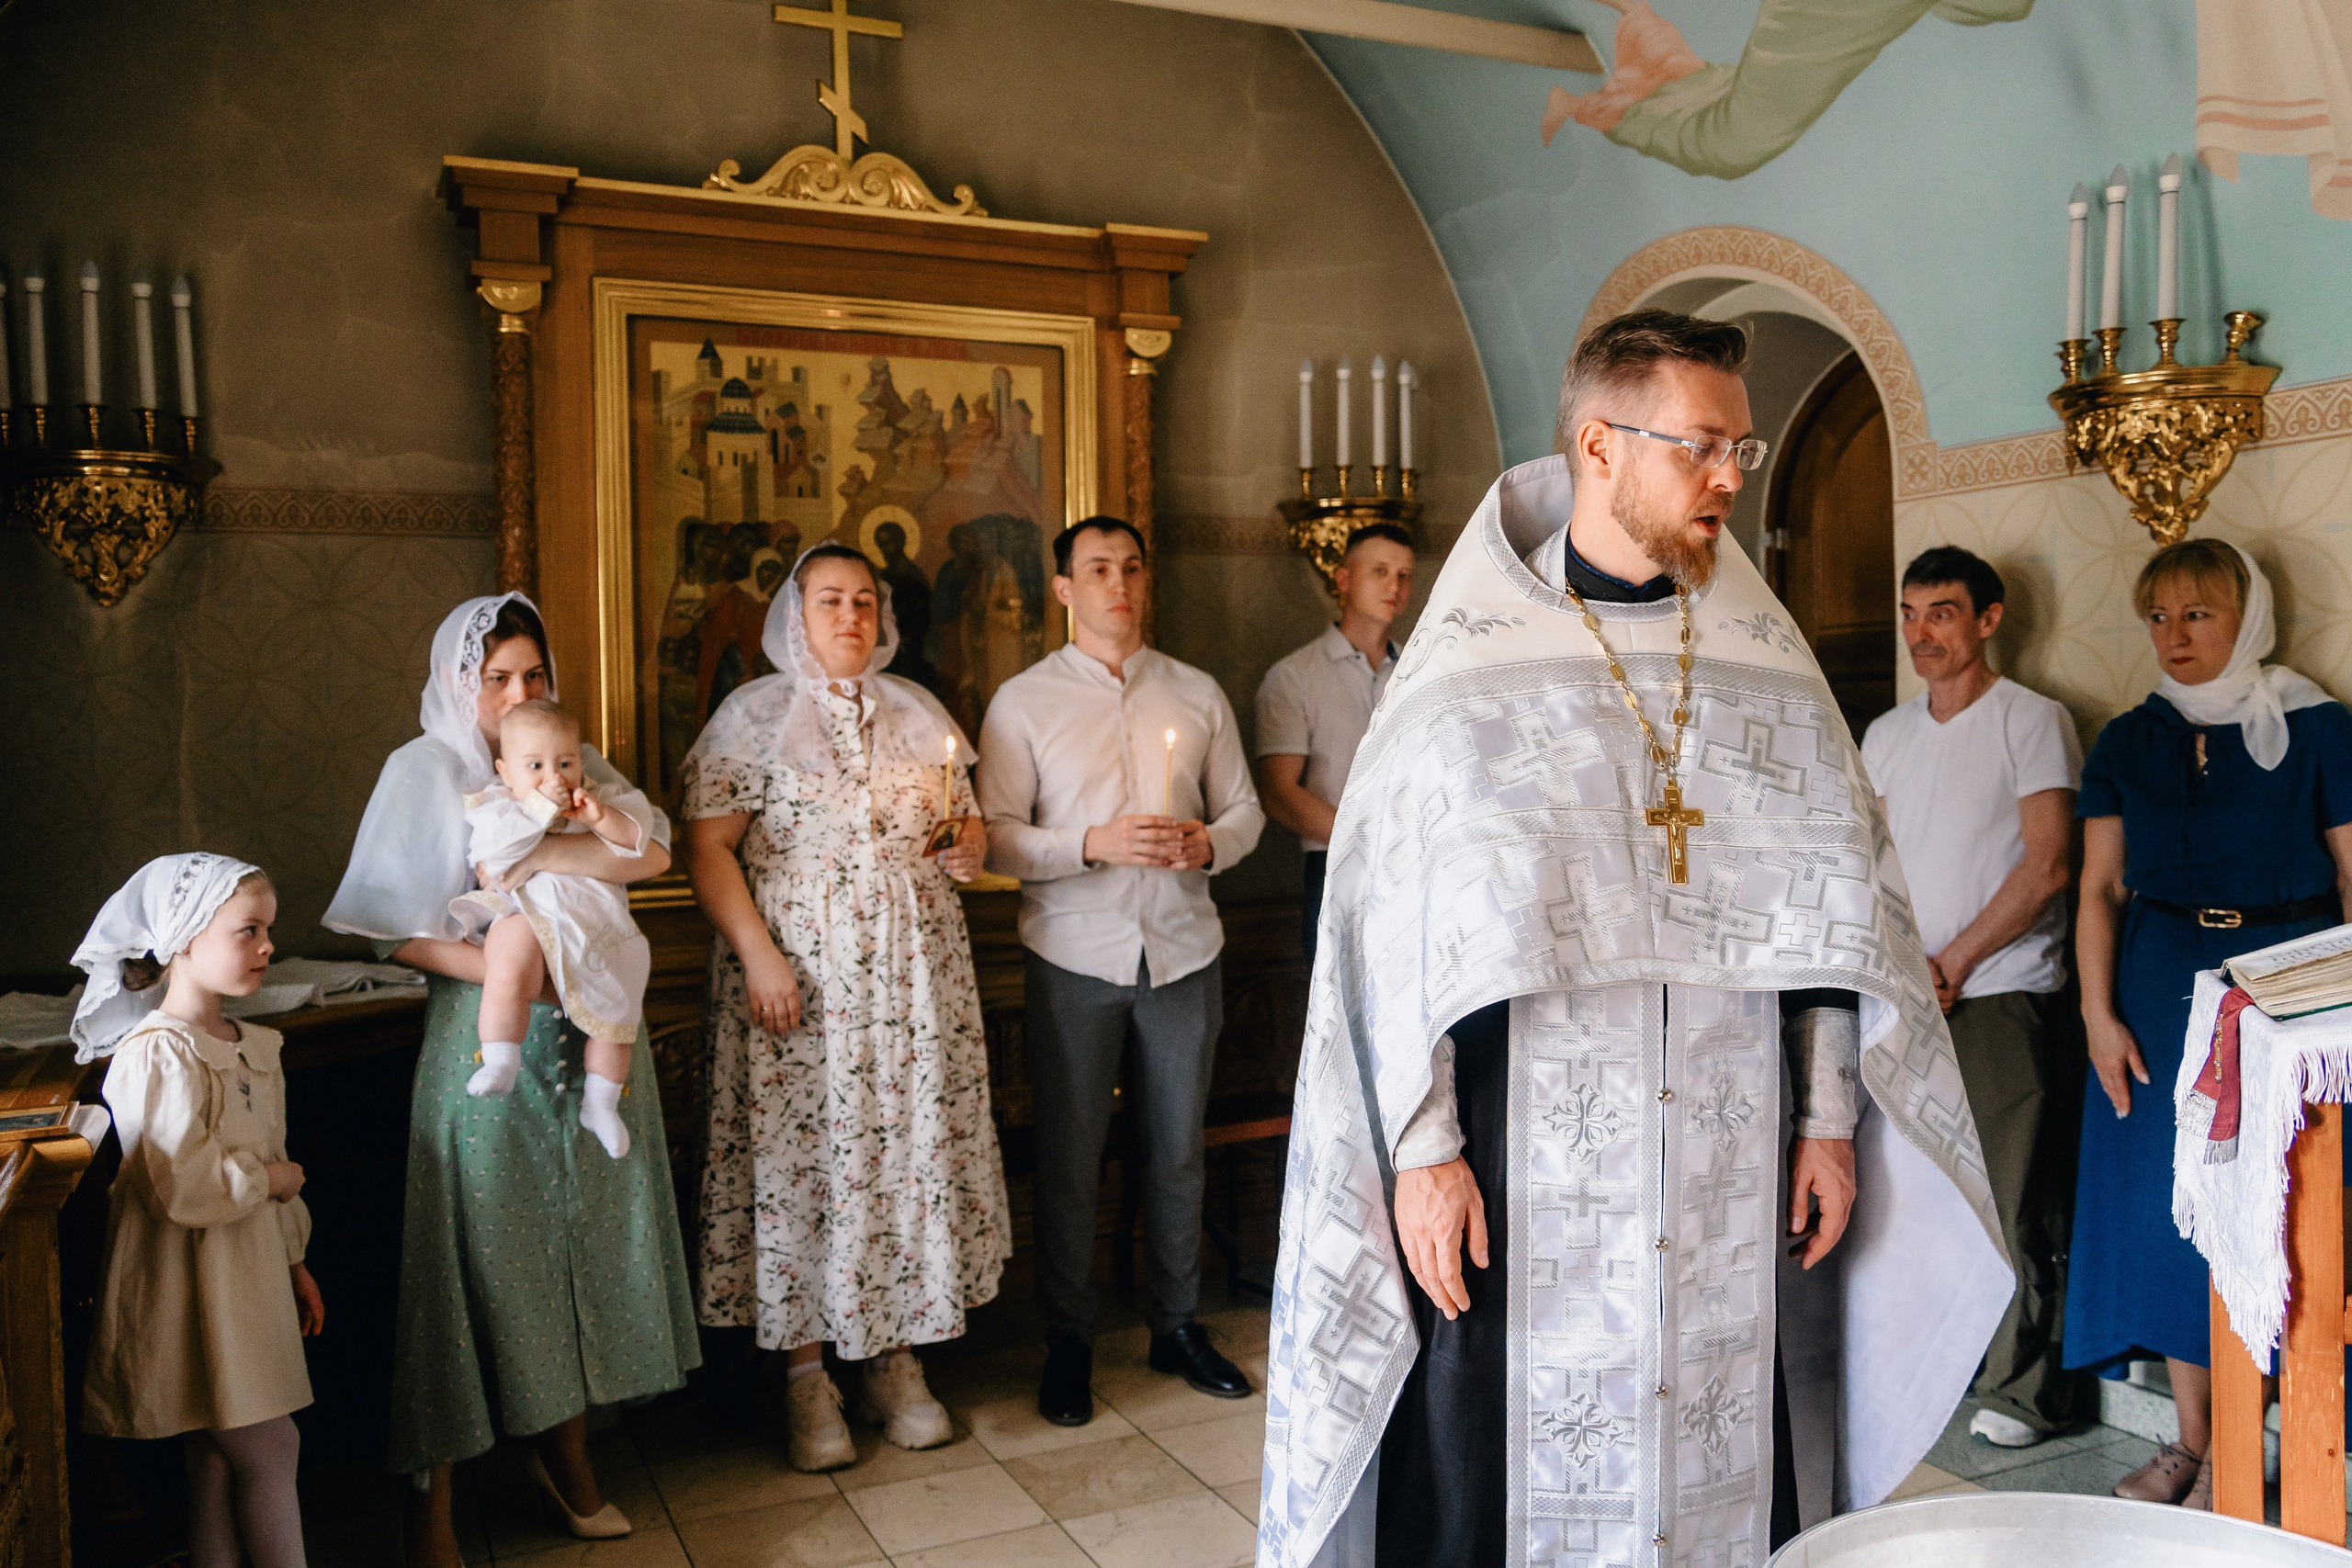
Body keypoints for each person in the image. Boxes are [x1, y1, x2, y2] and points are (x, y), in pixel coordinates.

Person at [1257, 311, 2011, 1568]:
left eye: (1743, 446)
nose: (1732, 476)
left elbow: (1830, 912)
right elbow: (1398, 933)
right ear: (1600, 444)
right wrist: (1423, 1149)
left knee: (1717, 1434)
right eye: (1703, 446)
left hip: (1724, 1136)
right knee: (1493, 1455)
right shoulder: (1464, 669)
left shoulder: (1763, 657)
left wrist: (1827, 1114)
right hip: (1518, 1146)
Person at [322, 593, 697, 1567]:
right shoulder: (426, 770)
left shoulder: (568, 755)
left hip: (590, 1032)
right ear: (460, 682)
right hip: (487, 1033)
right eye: (497, 679)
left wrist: (546, 861)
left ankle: (566, 1461)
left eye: (533, 675)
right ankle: (433, 1503)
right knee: (472, 1260)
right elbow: (391, 927)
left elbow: (649, 852)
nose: (517, 694)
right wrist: (506, 967)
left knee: (577, 1249)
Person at [683, 543, 1011, 1472]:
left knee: (896, 1153)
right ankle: (806, 1373)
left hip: (911, 980)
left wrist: (965, 849)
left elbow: (965, 824)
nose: (851, 616)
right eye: (830, 600)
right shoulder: (750, 717)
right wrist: (759, 955)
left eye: (865, 600)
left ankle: (894, 1355)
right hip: (800, 977)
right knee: (809, 1160)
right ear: (795, 613)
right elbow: (710, 849)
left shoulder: (918, 711)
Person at [2067, 538, 2352, 1509]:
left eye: (2197, 614)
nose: (2173, 636)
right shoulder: (2125, 740)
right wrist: (2098, 1015)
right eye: (2157, 616)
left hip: (2284, 985)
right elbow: (2099, 889)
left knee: (2272, 1211)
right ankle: (2195, 1443)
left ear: (2246, 618)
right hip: (2155, 987)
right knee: (2168, 1217)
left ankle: (2261, 1441)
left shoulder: (2315, 727)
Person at [978, 516, 1267, 1427]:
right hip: (1074, 952)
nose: (1120, 584)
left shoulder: (1195, 691)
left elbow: (1248, 811)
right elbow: (993, 838)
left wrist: (1209, 842)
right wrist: (1090, 843)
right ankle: (1069, 1336)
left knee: (1175, 1147)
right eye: (1097, 569)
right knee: (1072, 1157)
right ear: (1063, 589)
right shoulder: (1022, 703)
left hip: (1185, 949)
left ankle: (1175, 1325)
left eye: (1132, 567)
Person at [1860, 547, 2083, 1450]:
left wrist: (1951, 963)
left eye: (1942, 613)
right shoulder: (1885, 733)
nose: (1921, 633)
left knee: (2009, 1196)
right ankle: (1940, 1368)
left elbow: (2048, 866)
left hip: (1999, 990)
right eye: (1910, 614)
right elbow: (1868, 863)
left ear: (1988, 620)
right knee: (1918, 1195)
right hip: (1908, 997)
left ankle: (2023, 1389)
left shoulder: (2031, 720)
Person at [74, 854, 323, 1568]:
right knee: (273, 1445)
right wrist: (271, 1177)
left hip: (245, 1283)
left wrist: (293, 1260)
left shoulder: (252, 1048)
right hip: (190, 1287)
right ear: (184, 938)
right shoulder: (157, 1054)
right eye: (248, 930)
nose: (267, 946)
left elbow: (264, 1154)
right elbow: (183, 1183)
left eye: (267, 930)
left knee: (216, 1464)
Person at [452, 699, 652, 1159]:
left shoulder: (597, 800)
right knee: (509, 958)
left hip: (592, 922)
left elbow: (638, 844)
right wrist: (541, 809)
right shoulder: (498, 806)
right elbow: (495, 855)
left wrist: (600, 818)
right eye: (536, 765)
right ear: (505, 771)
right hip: (525, 911)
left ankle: (601, 1102)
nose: (553, 777)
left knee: (620, 990)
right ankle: (501, 1057)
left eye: (565, 763)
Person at [1255, 523, 1415, 964]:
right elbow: (1279, 793)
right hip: (1336, 868)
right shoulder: (1294, 676)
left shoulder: (1421, 671)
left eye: (1404, 575)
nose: (1394, 586)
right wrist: (1372, 841)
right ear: (1344, 580)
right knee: (1340, 1022)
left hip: (1420, 864)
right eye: (1379, 571)